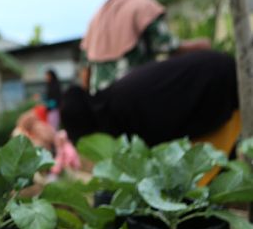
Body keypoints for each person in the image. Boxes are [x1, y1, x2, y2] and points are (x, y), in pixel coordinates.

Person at [61, 50, 240, 162]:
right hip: (214, 74)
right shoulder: (111, 102)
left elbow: (167, 151)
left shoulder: (123, 111)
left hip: (219, 84)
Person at [80, 0, 210, 94]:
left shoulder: (97, 16)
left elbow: (85, 70)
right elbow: (168, 46)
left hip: (100, 99)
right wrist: (201, 46)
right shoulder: (143, 6)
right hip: (134, 91)